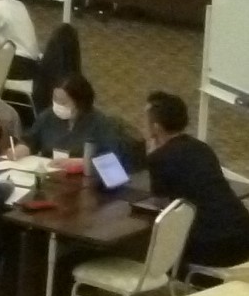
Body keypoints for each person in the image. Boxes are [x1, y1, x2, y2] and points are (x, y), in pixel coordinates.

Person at [142, 92, 249, 271]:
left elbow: (161, 204)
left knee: (157, 246)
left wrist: (152, 153)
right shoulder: (202, 148)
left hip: (214, 245)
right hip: (244, 232)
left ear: (156, 127)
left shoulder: (159, 157)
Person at [15, 73, 122, 166]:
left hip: (84, 177)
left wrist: (82, 163)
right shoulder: (47, 116)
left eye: (63, 102)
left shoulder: (99, 122)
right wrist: (22, 148)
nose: (58, 105)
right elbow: (31, 140)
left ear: (80, 102)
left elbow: (111, 159)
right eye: (55, 99)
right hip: (50, 172)